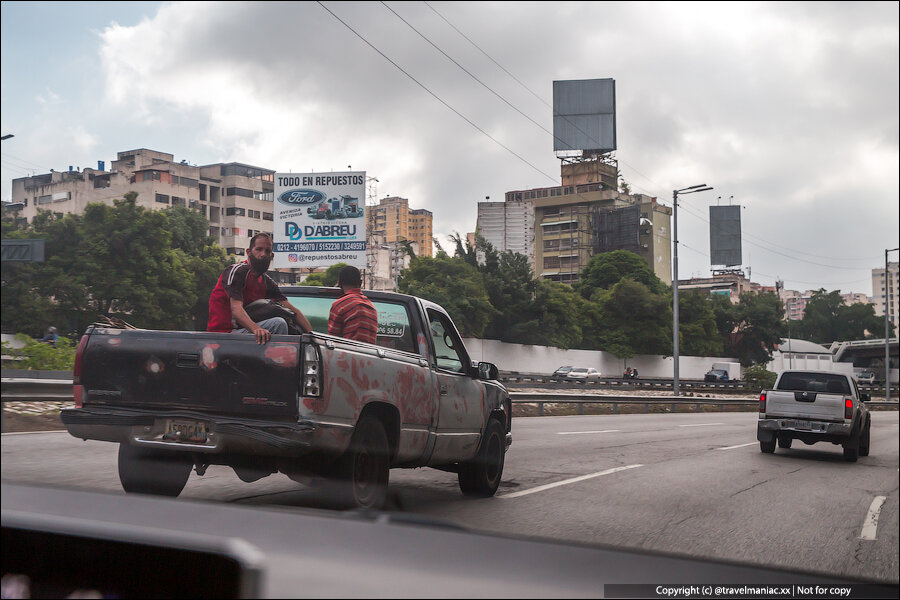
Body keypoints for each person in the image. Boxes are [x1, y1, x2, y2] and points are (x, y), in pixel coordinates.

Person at [208, 232, 312, 344]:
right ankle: (277, 360)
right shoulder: (238, 271)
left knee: (297, 328)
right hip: (224, 335)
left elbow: (293, 311)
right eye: (259, 249)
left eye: (267, 251)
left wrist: (312, 335)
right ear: (248, 252)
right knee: (278, 324)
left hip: (243, 332)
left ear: (271, 256)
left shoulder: (266, 282)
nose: (263, 254)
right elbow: (236, 308)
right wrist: (256, 329)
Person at [328, 265, 378, 344]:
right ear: (361, 283)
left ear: (339, 284)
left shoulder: (340, 304)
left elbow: (331, 340)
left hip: (348, 354)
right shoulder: (371, 307)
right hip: (368, 355)